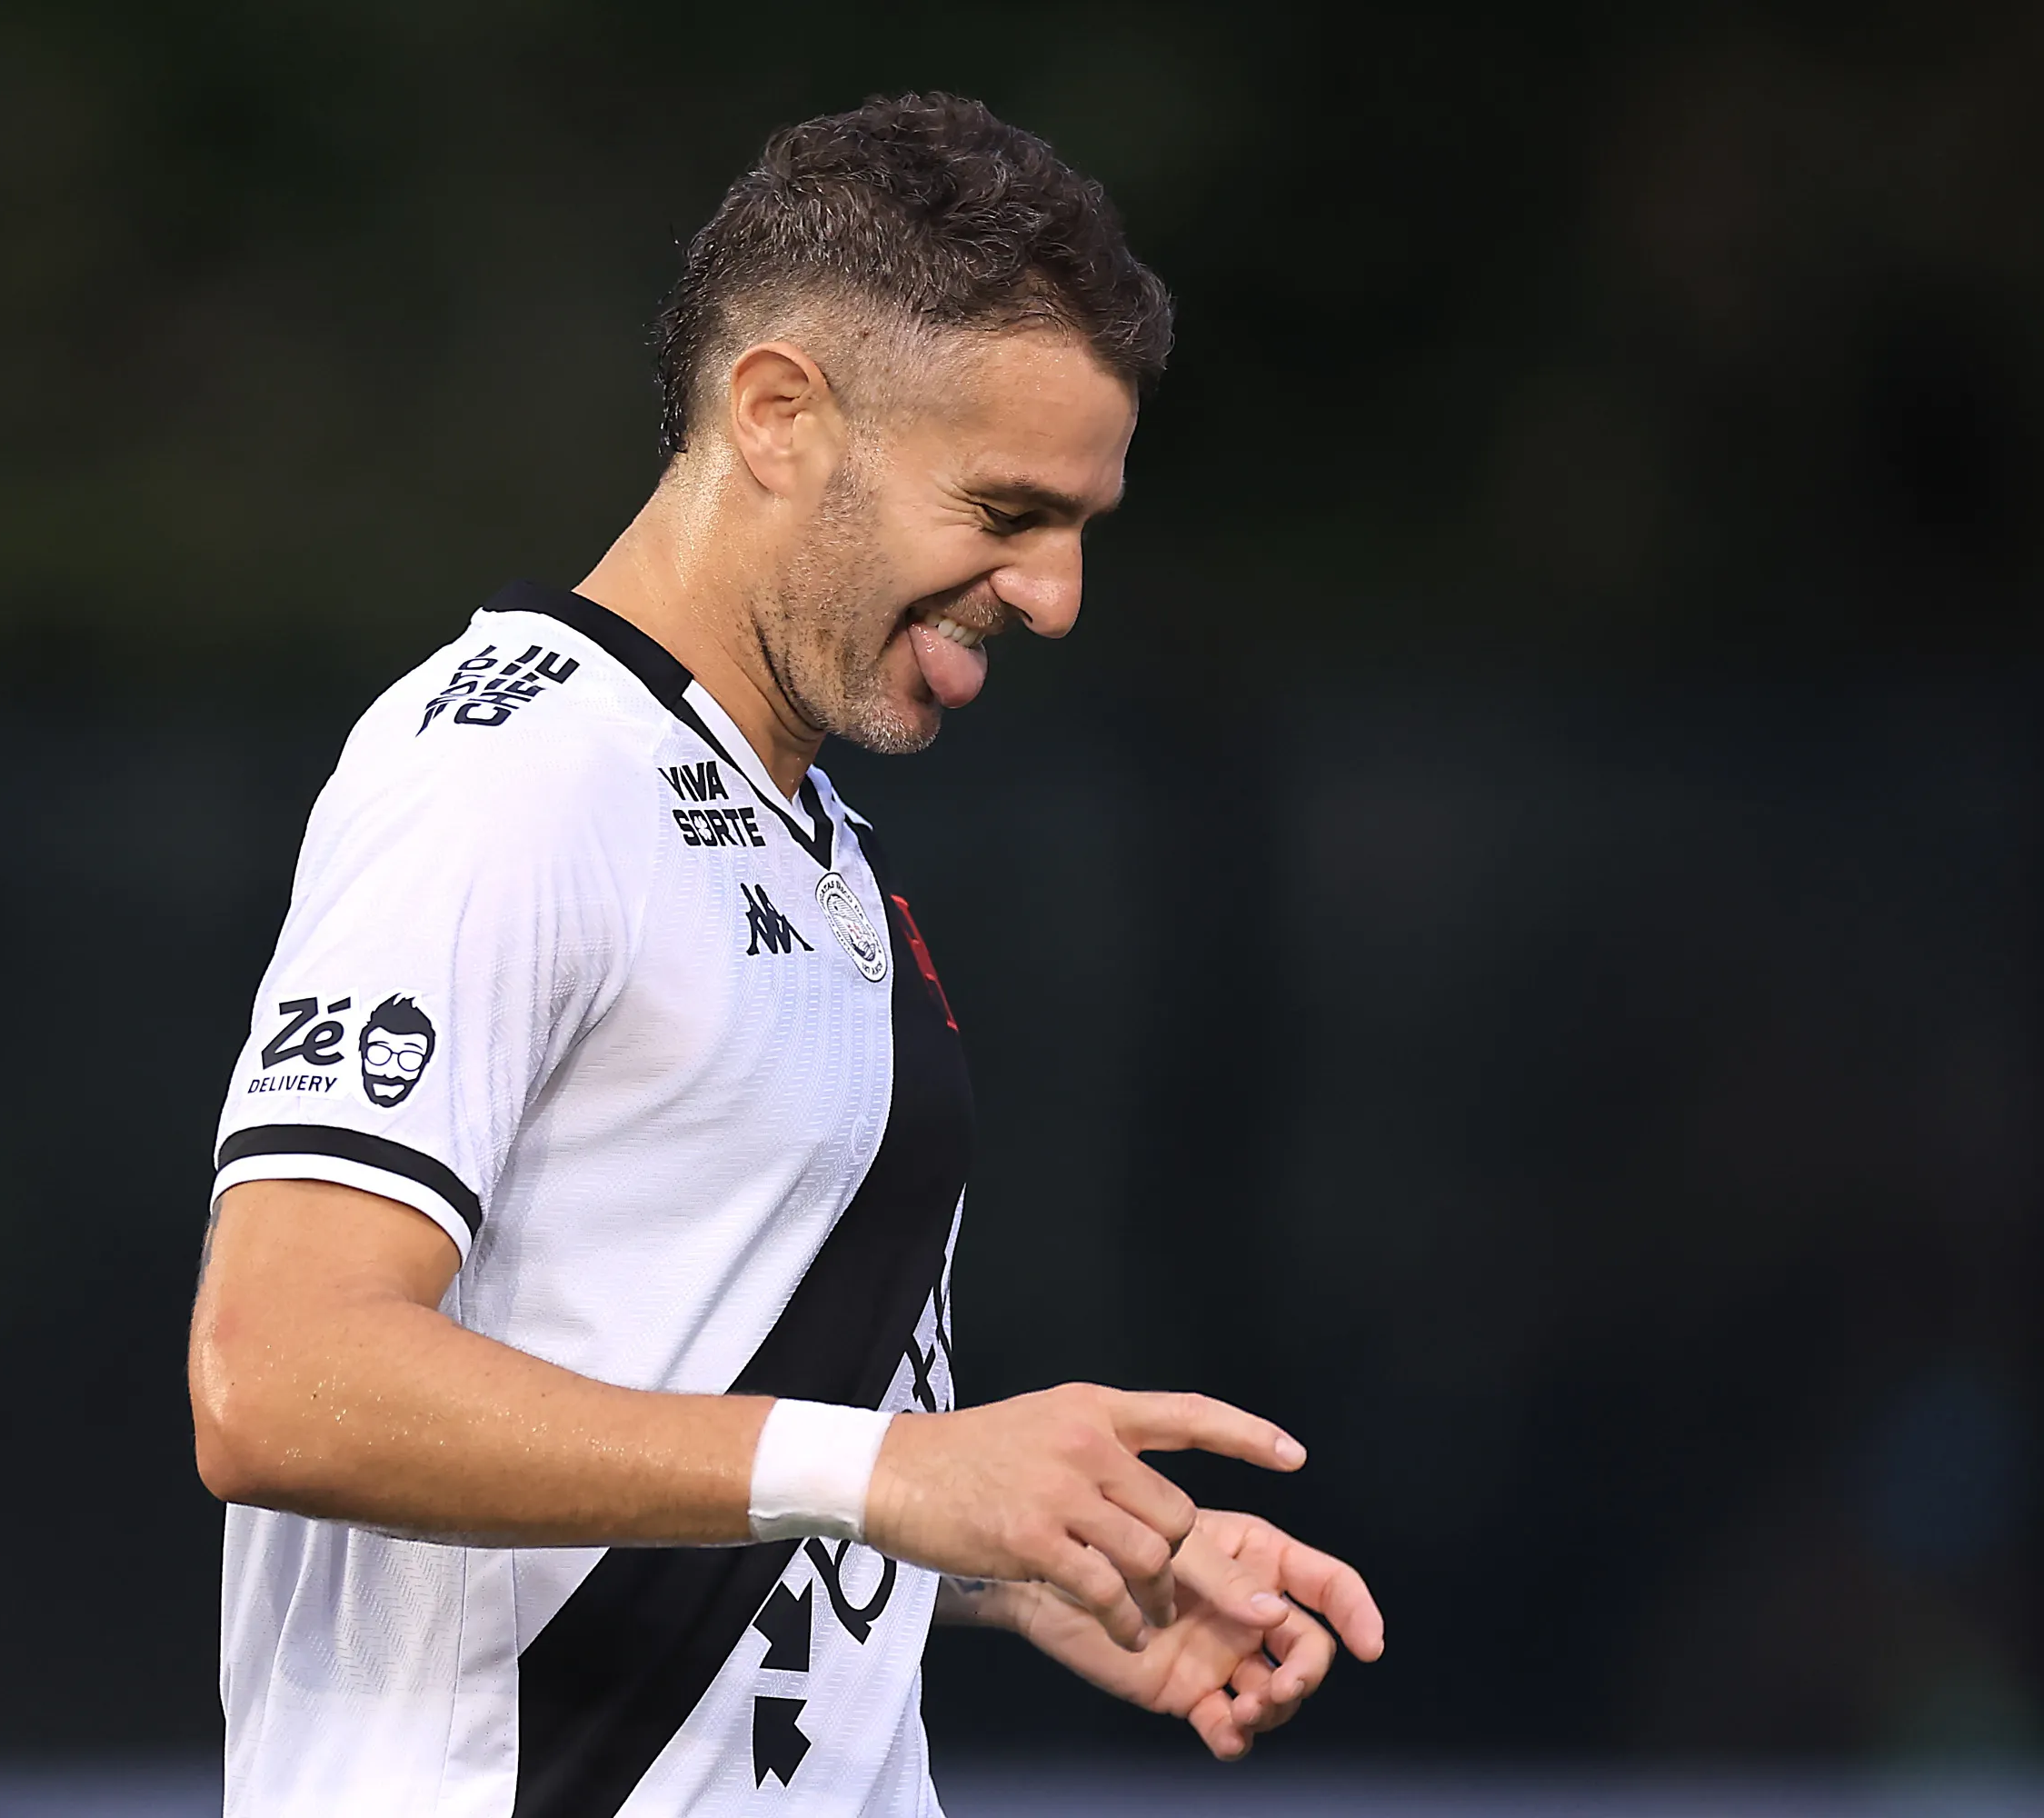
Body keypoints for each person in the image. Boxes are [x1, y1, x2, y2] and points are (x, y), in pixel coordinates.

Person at [186, 92, 1383, 1818]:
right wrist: (890, 1474)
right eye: (1005, 508)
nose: (1055, 596)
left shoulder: (805, 830)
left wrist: (1016, 1555)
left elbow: (706, 1418)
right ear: (777, 415)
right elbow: (279, 1379)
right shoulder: (514, 772)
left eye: (1081, 526)